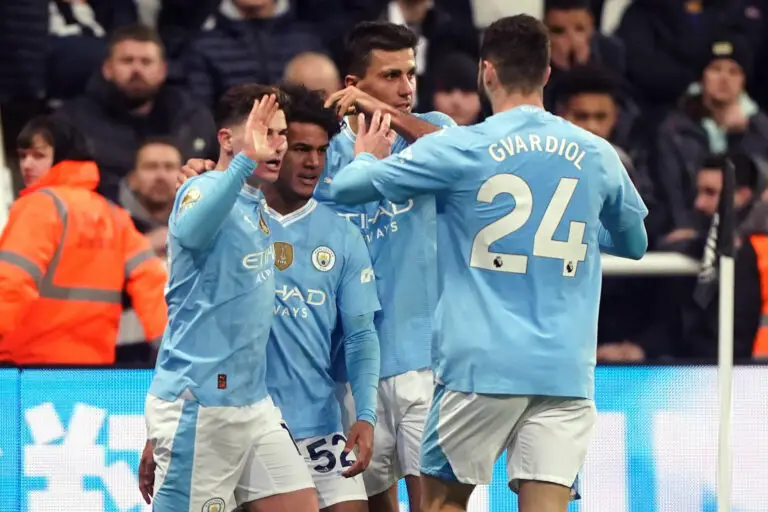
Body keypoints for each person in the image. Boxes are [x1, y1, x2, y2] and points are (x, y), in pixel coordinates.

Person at [328, 15, 648, 512]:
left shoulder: (464, 146)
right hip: (565, 370)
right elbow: (634, 242)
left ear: (486, 72)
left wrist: (367, 155)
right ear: (547, 73)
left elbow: (348, 187)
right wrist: (578, 229)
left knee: (441, 504)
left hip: (481, 368)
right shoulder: (596, 152)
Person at [178, 21, 457, 512]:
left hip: (422, 360)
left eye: (410, 74)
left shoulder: (428, 137)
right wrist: (213, 170)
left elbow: (465, 156)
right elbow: (263, 172)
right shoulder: (324, 147)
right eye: (390, 76)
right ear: (352, 85)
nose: (405, 88)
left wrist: (382, 113)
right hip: (338, 375)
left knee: (433, 503)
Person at [142, 87, 317, 512]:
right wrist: (241, 163)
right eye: (263, 132)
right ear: (225, 139)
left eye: (280, 134)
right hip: (202, 403)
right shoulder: (201, 188)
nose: (276, 145)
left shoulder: (254, 200)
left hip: (253, 402)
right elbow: (190, 232)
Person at [263, 84, 381, 512]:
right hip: (253, 424)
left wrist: (365, 415)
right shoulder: (236, 219)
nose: (313, 162)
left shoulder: (342, 235)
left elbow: (360, 335)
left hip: (319, 422)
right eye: (300, 149)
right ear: (275, 148)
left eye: (321, 150)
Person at [0, 116, 167, 365]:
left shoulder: (39, 207)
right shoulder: (113, 215)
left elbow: (11, 281)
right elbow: (152, 284)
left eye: (38, 155)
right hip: (92, 369)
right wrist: (172, 351)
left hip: (29, 365)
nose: (27, 164)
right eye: (23, 156)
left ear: (63, 157)